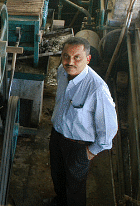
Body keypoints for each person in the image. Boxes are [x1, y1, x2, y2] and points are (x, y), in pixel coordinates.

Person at [47, 37, 118, 206]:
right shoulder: (62, 72)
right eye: (65, 56)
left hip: (78, 146)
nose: (70, 62)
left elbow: (109, 129)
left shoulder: (97, 89)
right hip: (57, 138)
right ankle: (59, 201)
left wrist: (89, 153)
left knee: (75, 188)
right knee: (58, 177)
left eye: (76, 57)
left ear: (88, 59)